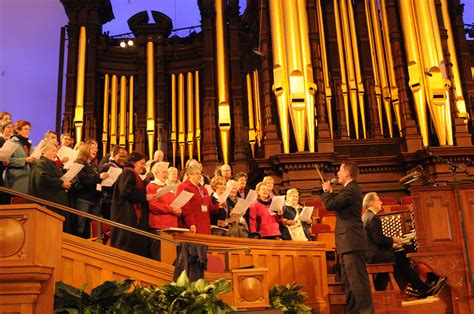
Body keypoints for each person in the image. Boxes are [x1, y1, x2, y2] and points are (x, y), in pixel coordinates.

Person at [362, 192, 445, 296]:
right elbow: (379, 239)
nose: (381, 202)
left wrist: (392, 243)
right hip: (376, 255)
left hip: (371, 253)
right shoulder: (373, 217)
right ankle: (421, 288)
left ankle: (417, 288)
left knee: (398, 258)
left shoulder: (365, 216)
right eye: (378, 200)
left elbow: (375, 239)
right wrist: (394, 240)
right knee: (401, 256)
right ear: (371, 203)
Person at [320, 161, 374, 314]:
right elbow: (334, 201)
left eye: (340, 170)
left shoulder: (351, 190)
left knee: (358, 282)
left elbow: (330, 204)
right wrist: (327, 192)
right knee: (349, 282)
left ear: (347, 173)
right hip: (347, 242)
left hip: (352, 241)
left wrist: (326, 191)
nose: (337, 173)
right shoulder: (348, 190)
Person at [110, 151, 158, 257]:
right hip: (126, 216)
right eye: (141, 163)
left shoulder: (133, 174)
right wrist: (145, 197)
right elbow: (126, 191)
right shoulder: (128, 173)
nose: (143, 166)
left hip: (133, 215)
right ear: (133, 162)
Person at [71, 140, 109, 238]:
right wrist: (99, 177)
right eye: (92, 148)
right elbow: (84, 178)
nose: (95, 150)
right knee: (81, 226)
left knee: (91, 227)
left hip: (95, 199)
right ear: (86, 149)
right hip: (84, 199)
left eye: (96, 149)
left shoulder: (94, 165)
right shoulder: (79, 162)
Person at [147, 161, 181, 260]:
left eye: (167, 172)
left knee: (171, 257)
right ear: (156, 173)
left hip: (172, 226)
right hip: (159, 226)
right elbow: (153, 205)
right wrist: (171, 209)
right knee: (159, 256)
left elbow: (176, 203)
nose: (167, 175)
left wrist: (179, 209)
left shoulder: (169, 187)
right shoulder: (152, 186)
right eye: (164, 172)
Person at [29, 142, 71, 215]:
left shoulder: (50, 163)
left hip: (58, 204)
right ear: (44, 151)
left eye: (56, 151)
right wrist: (61, 183)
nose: (56, 154)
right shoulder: (40, 163)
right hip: (49, 204)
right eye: (53, 151)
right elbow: (43, 179)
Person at [177, 161, 218, 234]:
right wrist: (191, 223)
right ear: (190, 175)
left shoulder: (203, 189)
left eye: (200, 173)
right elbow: (186, 208)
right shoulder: (184, 187)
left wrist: (218, 204)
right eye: (197, 174)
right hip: (194, 224)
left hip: (205, 224)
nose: (200, 176)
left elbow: (210, 207)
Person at [4, 120, 36, 194]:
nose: (28, 131)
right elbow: (6, 160)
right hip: (16, 180)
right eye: (25, 129)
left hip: (28, 179)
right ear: (18, 129)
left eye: (29, 130)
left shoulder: (28, 144)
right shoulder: (12, 142)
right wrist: (24, 160)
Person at [99, 145, 128, 220]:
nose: (123, 159)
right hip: (109, 200)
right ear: (114, 155)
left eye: (125, 157)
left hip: (119, 201)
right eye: (121, 156)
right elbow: (100, 183)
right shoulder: (107, 166)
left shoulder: (124, 169)